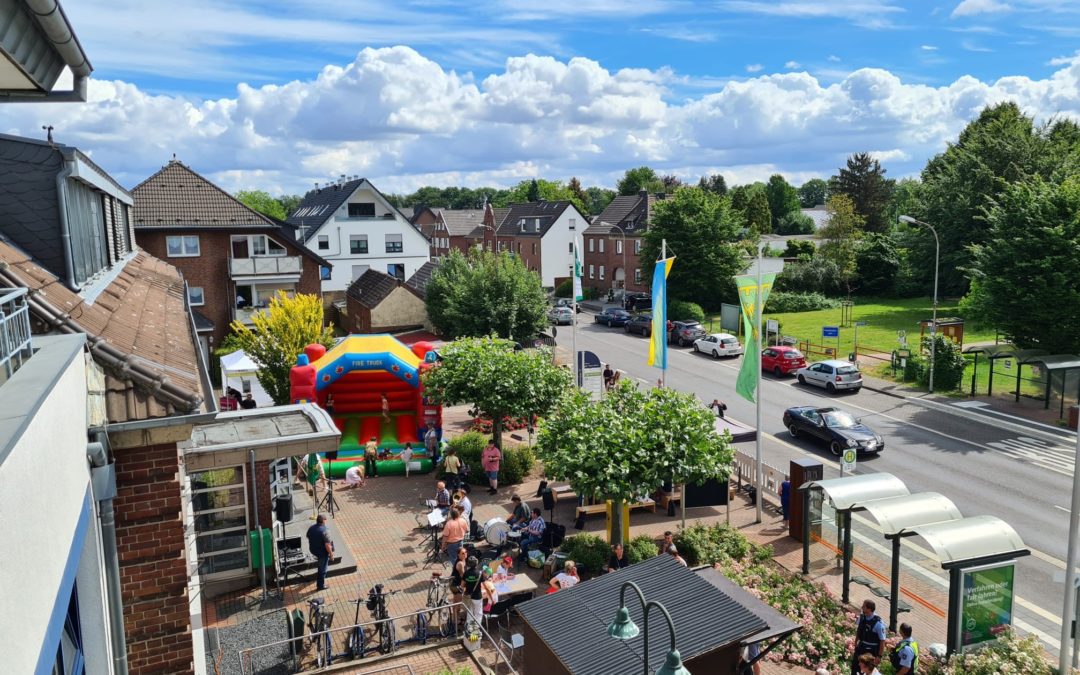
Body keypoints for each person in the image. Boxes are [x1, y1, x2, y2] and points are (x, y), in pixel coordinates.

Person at [851, 599, 886, 675]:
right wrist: (856, 642)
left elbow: (882, 641)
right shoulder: (862, 617)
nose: (862, 607)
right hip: (861, 648)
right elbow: (859, 630)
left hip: (871, 652)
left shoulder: (878, 623)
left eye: (864, 607)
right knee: (855, 668)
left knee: (867, 670)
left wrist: (879, 656)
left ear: (869, 609)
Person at [306, 514, 333, 590]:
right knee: (323, 569)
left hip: (313, 549)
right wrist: (331, 555)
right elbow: (327, 545)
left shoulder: (311, 528)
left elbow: (308, 536)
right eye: (325, 520)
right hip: (322, 553)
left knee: (320, 564)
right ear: (323, 521)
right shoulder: (325, 530)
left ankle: (319, 566)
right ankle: (320, 586)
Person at [462, 556, 484, 622]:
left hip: (468, 596)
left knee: (470, 613)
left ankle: (469, 628)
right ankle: (476, 628)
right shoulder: (479, 573)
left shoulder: (466, 573)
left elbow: (462, 585)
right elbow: (483, 583)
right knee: (478, 614)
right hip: (477, 596)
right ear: (476, 563)